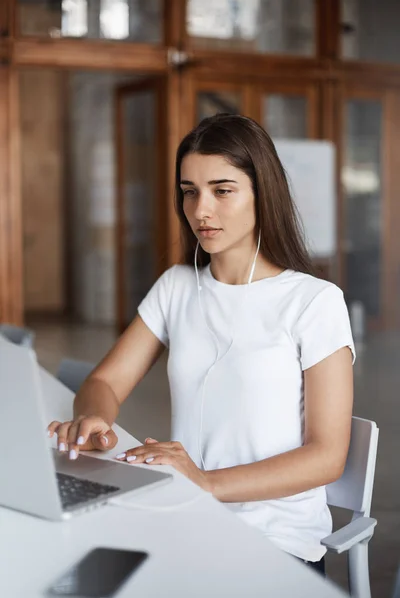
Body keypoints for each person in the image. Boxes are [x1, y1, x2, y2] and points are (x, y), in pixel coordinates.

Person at [48, 114, 355, 575]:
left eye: (222, 190)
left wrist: (204, 483)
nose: (200, 210)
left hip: (274, 540)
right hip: (184, 519)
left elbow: (327, 457)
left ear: (261, 192)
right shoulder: (176, 286)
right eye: (189, 191)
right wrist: (93, 417)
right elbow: (106, 380)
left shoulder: (313, 301)